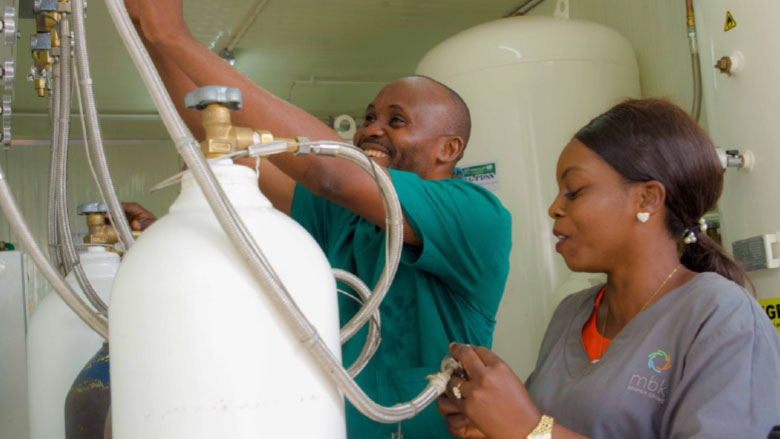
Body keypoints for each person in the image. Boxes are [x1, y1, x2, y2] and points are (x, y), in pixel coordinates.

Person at [122, 0, 512, 437]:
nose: (370, 130)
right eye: (369, 117)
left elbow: (331, 171)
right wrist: (148, 34)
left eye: (396, 120)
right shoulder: (344, 218)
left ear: (449, 149)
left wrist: (176, 38)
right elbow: (214, 135)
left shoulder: (475, 214)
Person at [437, 99, 780, 439]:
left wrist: (527, 430)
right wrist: (486, 427)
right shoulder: (572, 314)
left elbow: (534, 431)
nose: (554, 208)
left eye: (574, 191)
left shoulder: (720, 315)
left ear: (647, 199)